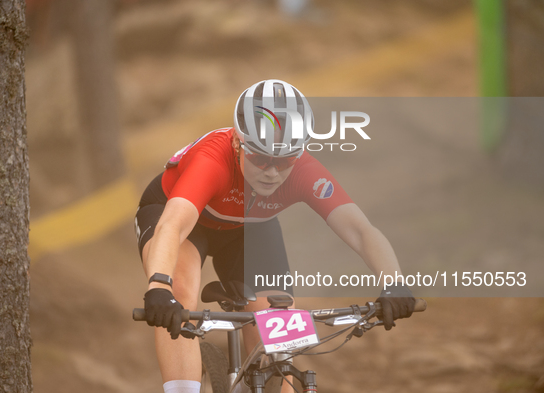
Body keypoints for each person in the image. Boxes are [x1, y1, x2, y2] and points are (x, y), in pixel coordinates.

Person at [135, 79, 416, 393]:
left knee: (278, 323)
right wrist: (159, 286)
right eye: (261, 158)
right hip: (181, 217)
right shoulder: (212, 160)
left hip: (249, 227)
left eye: (283, 161)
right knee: (181, 287)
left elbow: (361, 231)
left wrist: (395, 283)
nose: (271, 172)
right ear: (238, 145)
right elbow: (172, 226)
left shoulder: (305, 171)